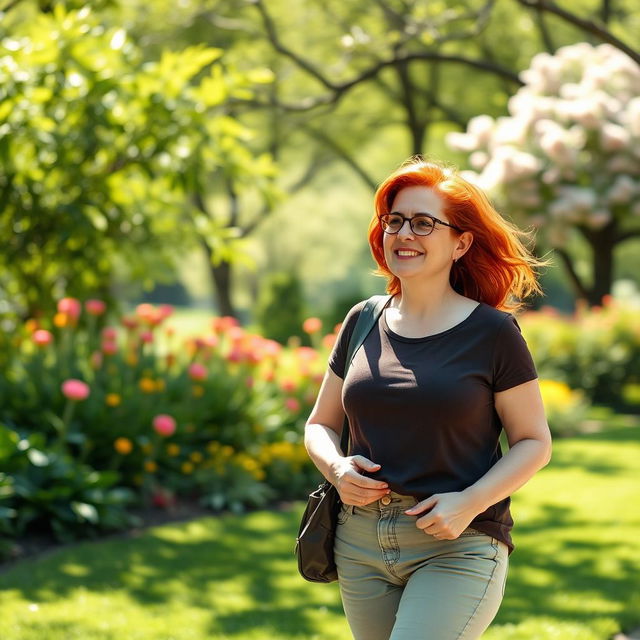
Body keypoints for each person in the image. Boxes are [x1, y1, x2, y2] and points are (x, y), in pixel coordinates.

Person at [304, 156, 552, 640]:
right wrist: (336, 469)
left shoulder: (493, 333)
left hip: (457, 543)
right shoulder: (363, 320)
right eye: (394, 221)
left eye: (423, 223)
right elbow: (319, 425)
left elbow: (534, 441)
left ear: (461, 242)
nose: (403, 234)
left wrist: (468, 503)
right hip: (358, 544)